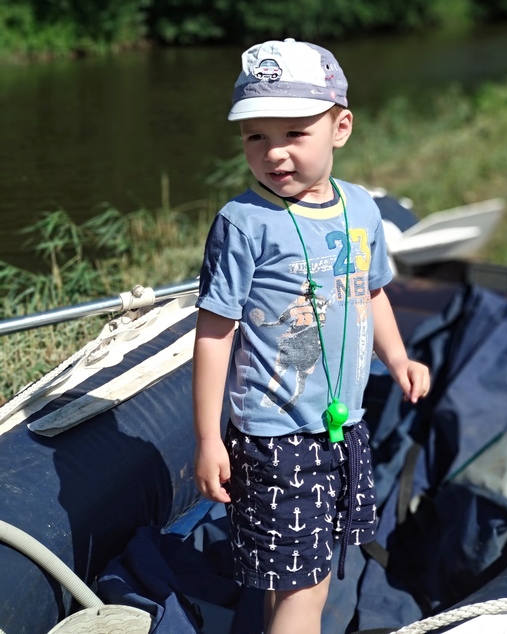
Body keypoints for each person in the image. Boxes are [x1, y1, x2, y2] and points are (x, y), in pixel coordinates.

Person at [192, 38, 430, 634]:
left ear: (340, 128)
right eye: (255, 136)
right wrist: (208, 439)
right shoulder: (244, 223)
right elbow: (215, 334)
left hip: (342, 425)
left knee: (292, 579)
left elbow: (370, 292)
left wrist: (398, 358)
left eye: (295, 132)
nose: (274, 152)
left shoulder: (362, 209)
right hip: (274, 437)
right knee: (306, 587)